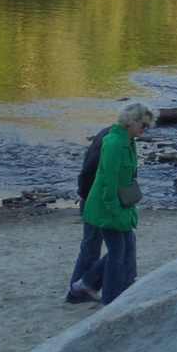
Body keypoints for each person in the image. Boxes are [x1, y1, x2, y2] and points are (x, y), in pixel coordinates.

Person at [76, 102, 153, 305]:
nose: (146, 129)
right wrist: (112, 209)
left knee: (124, 247)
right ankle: (105, 296)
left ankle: (92, 286)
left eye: (148, 126)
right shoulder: (114, 142)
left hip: (120, 206)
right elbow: (107, 180)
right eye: (144, 125)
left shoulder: (128, 140)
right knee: (114, 250)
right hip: (107, 207)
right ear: (131, 122)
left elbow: (125, 176)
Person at [65, 122, 113, 303]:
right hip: (94, 201)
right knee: (107, 247)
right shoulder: (111, 140)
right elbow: (88, 172)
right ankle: (81, 289)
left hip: (90, 199)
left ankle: (78, 291)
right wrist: (87, 197)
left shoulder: (106, 135)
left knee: (90, 247)